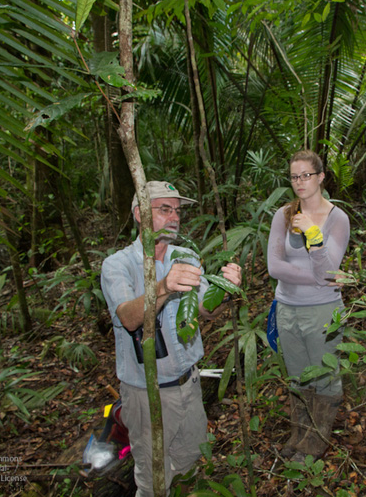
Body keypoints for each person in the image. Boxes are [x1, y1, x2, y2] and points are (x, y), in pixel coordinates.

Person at [101, 181, 242, 496]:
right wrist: (164, 285)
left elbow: (205, 309)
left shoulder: (186, 255)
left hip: (189, 386)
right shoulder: (118, 265)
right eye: (164, 209)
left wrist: (224, 288)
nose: (174, 217)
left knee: (190, 465)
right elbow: (128, 317)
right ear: (140, 214)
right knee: (154, 482)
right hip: (146, 395)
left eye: (177, 210)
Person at [267, 150, 350, 461]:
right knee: (298, 375)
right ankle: (299, 434)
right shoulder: (283, 215)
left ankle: (316, 442)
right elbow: (274, 267)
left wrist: (315, 239)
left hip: (322, 311)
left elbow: (329, 272)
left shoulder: (337, 219)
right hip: (287, 308)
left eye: (306, 175)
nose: (299, 182)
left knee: (325, 375)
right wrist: (318, 275)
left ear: (321, 177)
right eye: (294, 176)